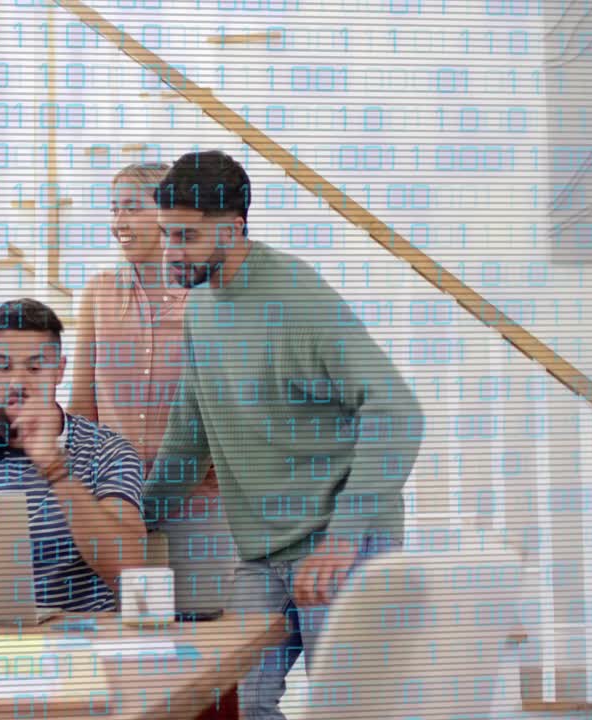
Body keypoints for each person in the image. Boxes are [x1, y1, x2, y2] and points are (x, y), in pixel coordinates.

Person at [146, 150, 426, 719]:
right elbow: (188, 434)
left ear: (233, 228)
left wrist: (344, 538)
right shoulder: (200, 308)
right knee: (243, 702)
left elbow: (397, 411)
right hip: (263, 553)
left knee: (346, 709)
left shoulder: (297, 303)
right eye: (166, 235)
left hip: (343, 543)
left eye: (186, 237)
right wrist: (137, 517)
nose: (171, 253)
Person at [0, 299, 145, 612]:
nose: (17, 382)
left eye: (35, 367)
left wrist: (56, 470)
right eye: (3, 366)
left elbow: (129, 569)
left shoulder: (109, 452)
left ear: (60, 370)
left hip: (77, 645)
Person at [68, 163, 231, 597]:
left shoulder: (211, 295)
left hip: (195, 497)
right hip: (118, 496)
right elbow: (81, 403)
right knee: (129, 628)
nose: (119, 222)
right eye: (114, 209)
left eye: (132, 208)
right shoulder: (100, 293)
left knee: (201, 618)